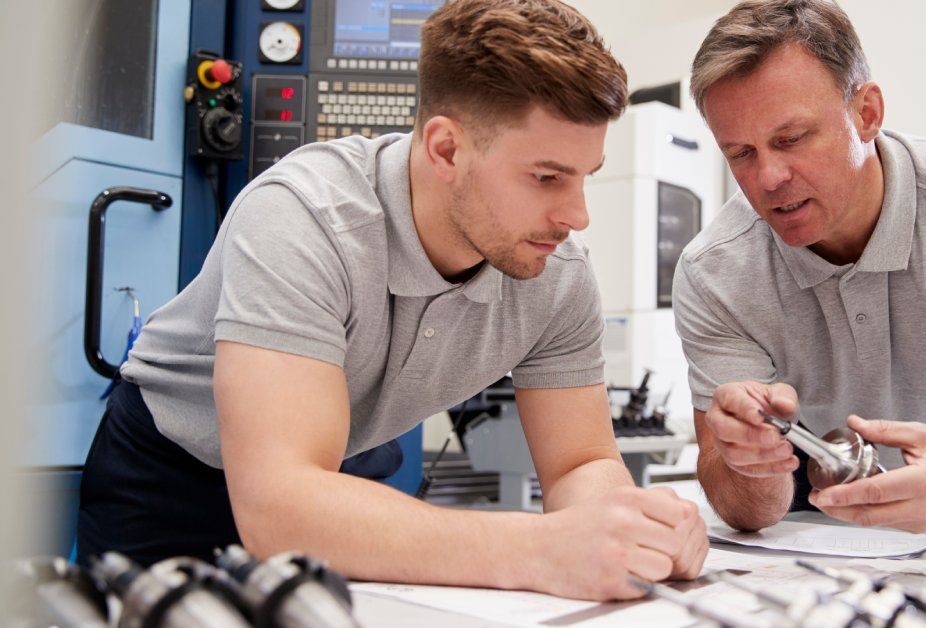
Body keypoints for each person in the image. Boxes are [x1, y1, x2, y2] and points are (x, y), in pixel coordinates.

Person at [77, 0, 707, 601]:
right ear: (447, 149)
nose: (576, 215)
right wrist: (540, 548)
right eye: (545, 177)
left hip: (331, 474)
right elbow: (281, 507)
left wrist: (635, 532)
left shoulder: (558, 275)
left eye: (583, 176)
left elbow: (579, 464)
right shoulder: (304, 217)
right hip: (174, 472)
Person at [674, 0, 926, 534]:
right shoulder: (714, 273)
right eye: (740, 153)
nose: (769, 177)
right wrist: (748, 462)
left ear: (866, 114)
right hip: (827, 523)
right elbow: (745, 510)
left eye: (791, 139)